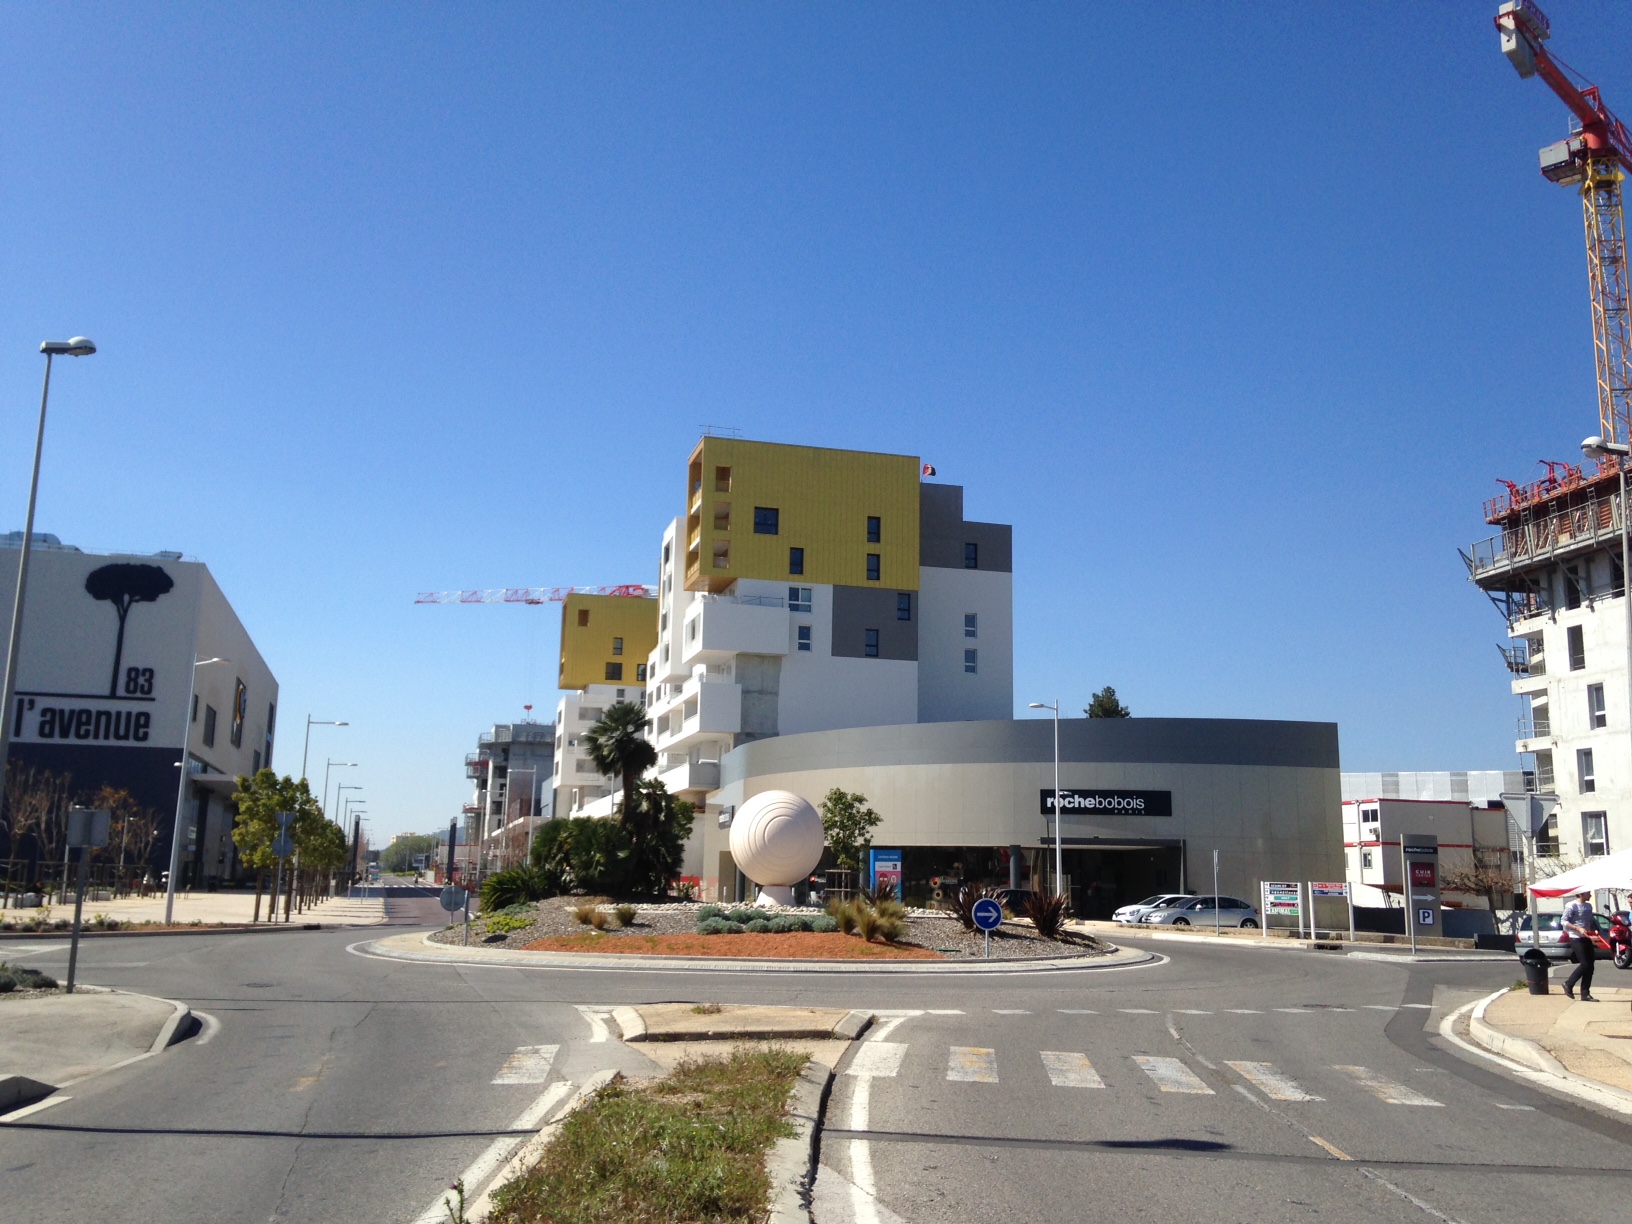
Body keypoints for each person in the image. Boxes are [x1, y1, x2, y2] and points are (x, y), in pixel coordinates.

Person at [1563, 889, 1600, 1002]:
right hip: (1576, 938)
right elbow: (1564, 921)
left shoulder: (1588, 906)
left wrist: (1595, 930)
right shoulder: (1572, 905)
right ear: (1581, 893)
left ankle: (1585, 993)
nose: (1590, 894)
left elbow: (1590, 920)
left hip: (1587, 938)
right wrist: (1577, 928)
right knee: (1585, 964)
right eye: (1588, 893)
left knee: (1590, 966)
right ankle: (1568, 984)